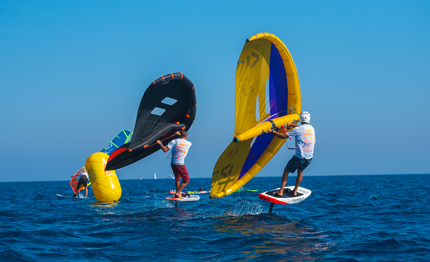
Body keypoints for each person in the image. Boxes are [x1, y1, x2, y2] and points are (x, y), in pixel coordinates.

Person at [270, 111, 315, 197]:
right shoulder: (311, 128)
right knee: (300, 171)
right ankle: (295, 191)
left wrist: (272, 132)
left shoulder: (298, 129)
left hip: (299, 158)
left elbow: (283, 136)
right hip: (309, 158)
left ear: (300, 119)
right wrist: (292, 125)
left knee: (286, 170)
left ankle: (281, 191)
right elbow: (302, 128)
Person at [157, 131, 192, 199]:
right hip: (180, 164)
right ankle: (177, 193)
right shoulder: (189, 143)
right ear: (186, 137)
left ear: (179, 136)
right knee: (186, 181)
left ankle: (178, 193)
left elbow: (165, 150)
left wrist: (160, 143)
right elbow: (181, 139)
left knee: (177, 178)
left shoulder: (174, 141)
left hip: (173, 163)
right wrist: (178, 134)